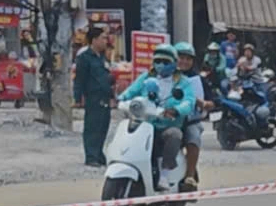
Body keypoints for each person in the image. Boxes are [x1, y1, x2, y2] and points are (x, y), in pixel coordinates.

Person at [116, 43, 192, 178]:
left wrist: (176, 110)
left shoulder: (183, 82)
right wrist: (121, 98)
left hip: (167, 125)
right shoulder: (146, 77)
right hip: (145, 123)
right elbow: (132, 90)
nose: (160, 65)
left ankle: (165, 173)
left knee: (174, 134)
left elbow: (189, 101)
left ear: (174, 63)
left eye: (165, 61)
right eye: (157, 61)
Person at [74, 25, 115, 166]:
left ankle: (98, 153)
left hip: (105, 96)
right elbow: (79, 79)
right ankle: (91, 156)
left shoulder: (102, 57)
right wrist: (78, 98)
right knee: (92, 127)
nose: (105, 41)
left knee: (103, 126)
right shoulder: (85, 57)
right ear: (94, 40)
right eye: (103, 38)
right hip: (93, 96)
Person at [174, 44, 209, 184]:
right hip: (166, 117)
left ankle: (190, 175)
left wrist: (205, 104)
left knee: (193, 136)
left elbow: (212, 101)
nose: (184, 61)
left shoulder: (197, 80)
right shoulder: (165, 76)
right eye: (181, 58)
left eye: (188, 59)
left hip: (189, 120)